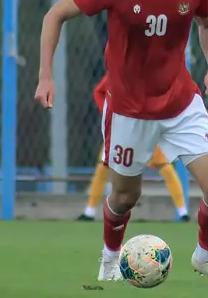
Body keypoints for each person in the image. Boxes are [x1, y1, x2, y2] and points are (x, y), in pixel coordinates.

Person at [35, 0, 208, 285]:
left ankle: (205, 256)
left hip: (180, 101)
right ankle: (111, 258)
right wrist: (46, 76)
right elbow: (55, 14)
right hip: (128, 109)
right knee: (126, 197)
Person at [77, 75, 189, 222]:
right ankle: (89, 211)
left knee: (165, 168)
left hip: (147, 128)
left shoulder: (156, 71)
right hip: (121, 129)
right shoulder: (118, 69)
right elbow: (99, 92)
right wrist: (108, 113)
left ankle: (183, 212)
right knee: (103, 167)